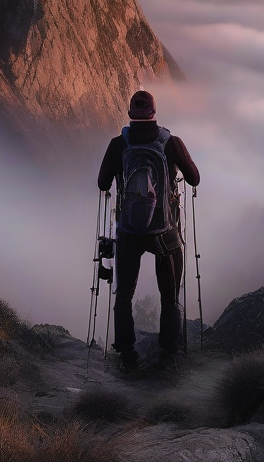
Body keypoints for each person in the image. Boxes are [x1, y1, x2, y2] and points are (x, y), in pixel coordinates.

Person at [97, 89, 200, 370]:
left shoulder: (118, 144)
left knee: (124, 293)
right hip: (164, 232)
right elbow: (194, 179)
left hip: (129, 232)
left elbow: (103, 183)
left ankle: (126, 352)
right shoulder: (171, 142)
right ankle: (169, 352)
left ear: (131, 113)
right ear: (154, 112)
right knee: (170, 296)